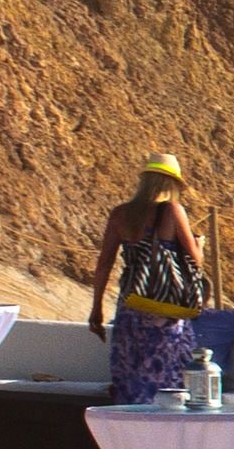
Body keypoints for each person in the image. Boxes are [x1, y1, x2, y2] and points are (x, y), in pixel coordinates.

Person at [87, 154, 206, 406]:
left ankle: (131, 424)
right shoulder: (172, 211)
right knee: (167, 377)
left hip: (131, 305)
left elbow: (104, 264)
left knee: (131, 374)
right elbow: (195, 260)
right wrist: (200, 245)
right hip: (165, 308)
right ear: (172, 184)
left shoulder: (120, 215)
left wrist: (96, 308)